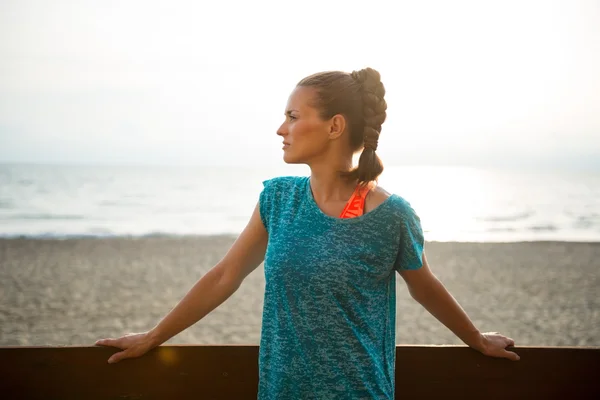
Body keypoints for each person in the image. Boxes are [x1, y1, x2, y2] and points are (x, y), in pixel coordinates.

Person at [95, 67, 520, 399]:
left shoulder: (392, 215)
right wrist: (153, 337)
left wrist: (477, 340)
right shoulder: (279, 200)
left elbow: (424, 286)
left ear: (334, 126)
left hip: (360, 394)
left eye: (293, 117)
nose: (281, 129)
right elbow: (225, 276)